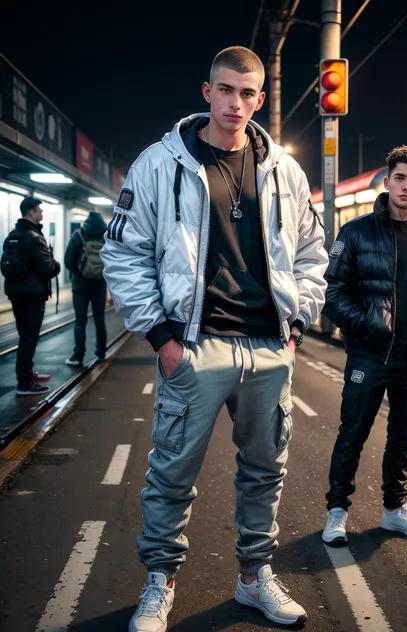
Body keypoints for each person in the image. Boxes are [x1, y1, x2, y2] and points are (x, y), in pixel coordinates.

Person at [101, 46, 327, 631]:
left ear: (260, 98)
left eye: (248, 93)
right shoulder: (160, 163)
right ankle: (160, 581)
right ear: (207, 92)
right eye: (225, 90)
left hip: (269, 346)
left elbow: (310, 254)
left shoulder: (286, 170)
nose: (236, 103)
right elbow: (123, 254)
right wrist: (162, 338)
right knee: (173, 471)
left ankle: (254, 578)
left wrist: (295, 326)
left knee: (265, 470)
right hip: (195, 344)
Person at [321, 145, 407, 546]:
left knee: (403, 438)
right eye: (400, 178)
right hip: (370, 354)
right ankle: (337, 512)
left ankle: (394, 512)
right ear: (387, 182)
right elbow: (333, 294)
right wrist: (370, 328)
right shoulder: (356, 232)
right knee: (353, 433)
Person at [1, 196, 60, 395]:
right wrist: (56, 264)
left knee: (25, 336)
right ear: (30, 213)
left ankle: (26, 375)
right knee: (30, 338)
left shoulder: (14, 234)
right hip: (33, 295)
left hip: (17, 294)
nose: (42, 214)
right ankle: (25, 384)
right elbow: (48, 268)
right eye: (39, 210)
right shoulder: (34, 237)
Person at [64, 210, 108, 366]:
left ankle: (78, 356)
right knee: (99, 320)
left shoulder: (79, 235)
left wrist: (80, 273)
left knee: (80, 322)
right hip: (100, 285)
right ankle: (101, 352)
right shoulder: (107, 236)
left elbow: (68, 260)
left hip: (80, 286)